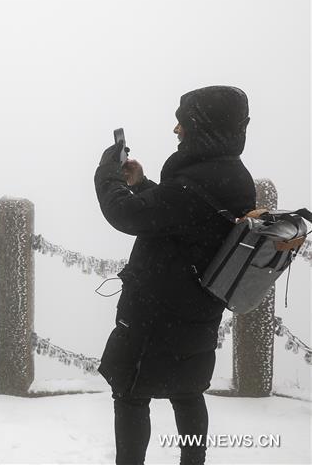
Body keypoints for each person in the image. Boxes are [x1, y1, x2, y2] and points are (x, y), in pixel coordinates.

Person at [94, 86, 255, 465]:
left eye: (183, 120)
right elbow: (185, 220)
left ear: (203, 125)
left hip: (156, 316)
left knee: (131, 394)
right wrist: (146, 185)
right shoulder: (231, 175)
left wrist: (107, 174)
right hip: (198, 310)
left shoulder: (194, 182)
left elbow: (127, 215)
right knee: (188, 392)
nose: (176, 128)